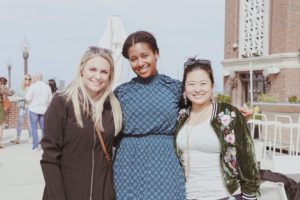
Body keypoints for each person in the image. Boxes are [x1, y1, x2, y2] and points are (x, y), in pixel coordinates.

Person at [40, 46, 122, 200]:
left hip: (103, 193)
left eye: (104, 72)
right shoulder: (62, 102)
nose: (97, 76)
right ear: (82, 70)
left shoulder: (113, 107)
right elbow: (50, 157)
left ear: (110, 76)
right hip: (66, 192)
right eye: (92, 69)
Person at [113, 31, 186, 199]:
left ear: (156, 54)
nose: (140, 63)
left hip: (164, 161)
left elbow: (201, 109)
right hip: (127, 165)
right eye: (133, 59)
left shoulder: (175, 88)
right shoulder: (121, 92)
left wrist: (232, 115)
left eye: (144, 55)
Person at [174, 57, 260, 200]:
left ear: (212, 85)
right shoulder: (181, 116)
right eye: (191, 84)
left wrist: (249, 196)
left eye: (203, 83)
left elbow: (247, 160)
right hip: (188, 195)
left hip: (225, 195)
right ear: (184, 87)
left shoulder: (229, 115)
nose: (197, 89)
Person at [25, 73, 52, 151]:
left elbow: (28, 98)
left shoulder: (32, 86)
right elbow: (50, 100)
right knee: (44, 129)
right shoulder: (47, 87)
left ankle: (35, 146)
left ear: (36, 78)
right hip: (44, 110)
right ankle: (45, 146)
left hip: (33, 109)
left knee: (34, 128)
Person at [10, 74, 32, 144]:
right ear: (23, 80)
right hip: (22, 107)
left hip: (30, 107)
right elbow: (15, 96)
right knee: (20, 122)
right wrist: (23, 98)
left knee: (30, 123)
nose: (27, 80)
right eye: (26, 78)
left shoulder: (32, 88)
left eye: (29, 79)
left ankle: (30, 137)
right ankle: (18, 137)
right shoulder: (20, 88)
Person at [0, 77, 14, 148]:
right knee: (2, 124)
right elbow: (11, 93)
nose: (3, 84)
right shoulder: (3, 88)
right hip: (0, 105)